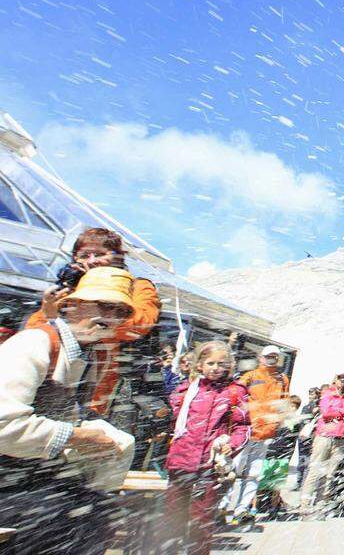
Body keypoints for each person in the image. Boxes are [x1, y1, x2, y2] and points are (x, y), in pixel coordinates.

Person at [0, 267, 136, 554]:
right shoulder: (33, 343)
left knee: (97, 516)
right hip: (15, 488)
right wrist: (77, 437)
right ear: (72, 306)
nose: (112, 316)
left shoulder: (84, 353)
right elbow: (4, 426)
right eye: (104, 305)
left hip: (44, 481)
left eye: (121, 311)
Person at [24, 227, 162, 417]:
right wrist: (54, 310)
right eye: (84, 255)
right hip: (50, 380)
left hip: (98, 387)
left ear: (118, 257)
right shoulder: (71, 286)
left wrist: (104, 307)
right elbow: (32, 334)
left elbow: (139, 325)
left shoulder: (138, 285)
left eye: (99, 254)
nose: (91, 261)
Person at [160, 340, 250, 555]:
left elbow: (243, 426)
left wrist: (233, 444)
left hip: (209, 465)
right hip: (181, 460)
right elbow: (173, 421)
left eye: (221, 363)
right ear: (199, 364)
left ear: (229, 365)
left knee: (200, 520)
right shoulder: (186, 390)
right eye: (210, 363)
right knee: (173, 518)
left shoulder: (234, 392)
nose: (216, 368)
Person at [223, 345, 290, 526]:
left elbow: (284, 402)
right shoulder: (251, 376)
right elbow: (235, 395)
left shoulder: (282, 379)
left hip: (265, 434)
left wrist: (278, 421)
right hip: (245, 432)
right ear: (261, 357)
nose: (271, 359)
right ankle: (221, 507)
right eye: (268, 356)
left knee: (254, 474)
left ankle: (242, 509)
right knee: (232, 471)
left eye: (275, 357)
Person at [299, 373, 344, 517]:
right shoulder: (327, 394)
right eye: (340, 379)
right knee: (315, 469)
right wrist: (343, 414)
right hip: (324, 436)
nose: (343, 382)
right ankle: (305, 504)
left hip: (340, 437)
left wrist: (337, 413)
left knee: (329, 473)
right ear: (335, 380)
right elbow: (325, 413)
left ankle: (320, 503)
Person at [257, 394, 304, 520]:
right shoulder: (278, 419)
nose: (292, 408)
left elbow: (294, 440)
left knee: (277, 482)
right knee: (265, 480)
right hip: (271, 450)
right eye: (290, 405)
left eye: (295, 406)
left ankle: (274, 508)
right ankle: (262, 505)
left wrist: (290, 453)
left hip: (284, 453)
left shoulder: (296, 422)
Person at [295, 386, 321, 486]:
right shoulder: (307, 406)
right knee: (302, 458)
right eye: (310, 394)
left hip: (309, 436)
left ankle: (302, 481)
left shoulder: (315, 407)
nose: (310, 396)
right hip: (303, 434)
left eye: (312, 394)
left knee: (305, 459)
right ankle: (300, 480)